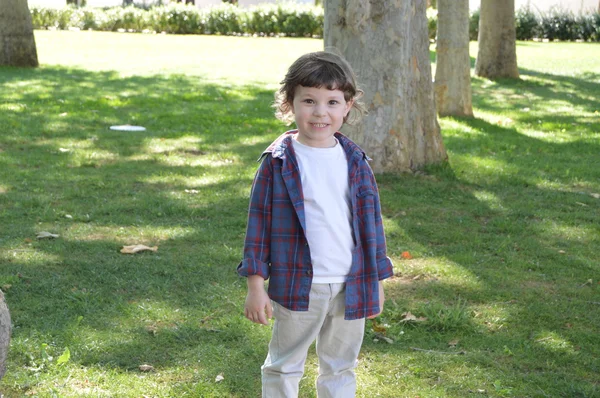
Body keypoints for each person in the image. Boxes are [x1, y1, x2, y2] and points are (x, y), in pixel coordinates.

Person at [237, 51, 394, 398]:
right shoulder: (277, 162)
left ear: (347, 106)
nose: (320, 112)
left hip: (351, 284)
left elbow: (371, 226)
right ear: (289, 103)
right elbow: (258, 227)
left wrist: (377, 279)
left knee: (340, 367)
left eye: (332, 101)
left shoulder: (356, 161)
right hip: (298, 286)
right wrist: (255, 285)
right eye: (308, 100)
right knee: (284, 365)